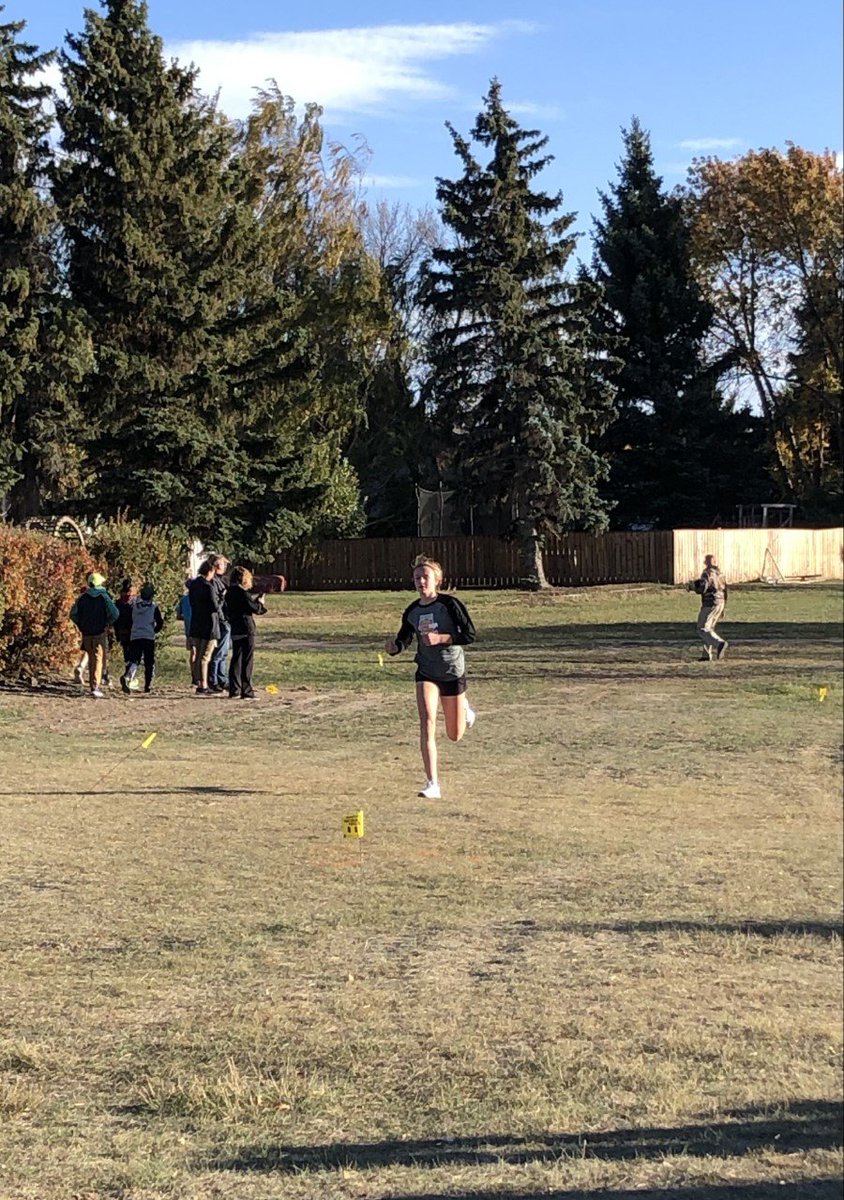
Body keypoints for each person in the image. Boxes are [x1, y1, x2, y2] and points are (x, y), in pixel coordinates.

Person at [384, 555, 476, 799]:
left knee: (454, 735)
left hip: (451, 671)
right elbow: (405, 638)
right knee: (427, 722)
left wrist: (441, 638)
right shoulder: (412, 611)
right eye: (417, 578)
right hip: (426, 671)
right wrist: (395, 648)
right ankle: (432, 784)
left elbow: (469, 635)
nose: (421, 581)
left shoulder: (449, 605)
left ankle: (464, 707)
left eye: (426, 577)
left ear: (438, 580)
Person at [69, 572, 119, 698]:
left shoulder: (82, 597)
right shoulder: (104, 596)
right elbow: (115, 613)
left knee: (90, 657)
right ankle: (95, 686)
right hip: (99, 631)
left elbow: (73, 614)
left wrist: (80, 624)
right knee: (98, 659)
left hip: (86, 632)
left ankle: (92, 684)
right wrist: (106, 622)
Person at [224, 566, 267, 699]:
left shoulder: (229, 592)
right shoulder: (242, 593)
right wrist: (260, 603)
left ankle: (234, 689)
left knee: (237, 658)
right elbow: (255, 609)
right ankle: (246, 690)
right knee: (247, 660)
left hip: (235, 627)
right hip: (246, 628)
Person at [120, 584, 164, 693]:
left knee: (134, 659)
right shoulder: (153, 607)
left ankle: (127, 676)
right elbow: (160, 622)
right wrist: (155, 630)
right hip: (148, 637)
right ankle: (147, 685)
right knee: (149, 662)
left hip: (135, 636)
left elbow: (129, 620)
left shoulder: (134, 606)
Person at [188, 561, 223, 695]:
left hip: (196, 623)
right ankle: (204, 684)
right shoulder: (209, 587)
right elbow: (215, 606)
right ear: (210, 571)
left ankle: (197, 680)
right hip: (209, 625)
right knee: (205, 657)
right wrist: (221, 599)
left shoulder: (194, 585)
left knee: (197, 655)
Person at [689, 553, 729, 661]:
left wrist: (692, 586)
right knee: (709, 629)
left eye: (706, 561)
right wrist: (724, 607)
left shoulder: (707, 573)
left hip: (710, 603)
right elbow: (725, 590)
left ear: (706, 562)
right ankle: (706, 655)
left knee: (702, 629)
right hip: (720, 602)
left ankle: (720, 644)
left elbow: (703, 587)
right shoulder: (720, 574)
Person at [207, 555, 231, 693]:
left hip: (224, 618)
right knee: (219, 652)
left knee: (224, 652)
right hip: (220, 619)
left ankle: (222, 679)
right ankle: (214, 679)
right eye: (223, 564)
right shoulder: (214, 582)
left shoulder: (221, 581)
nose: (225, 567)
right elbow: (217, 602)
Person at [113, 578, 136, 668]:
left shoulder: (118, 603)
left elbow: (115, 619)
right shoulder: (133, 602)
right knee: (130, 651)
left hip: (123, 630)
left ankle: (128, 667)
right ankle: (129, 669)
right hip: (130, 630)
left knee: (127, 651)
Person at [176, 578, 195, 684]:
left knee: (193, 653)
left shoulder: (183, 600)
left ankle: (193, 675)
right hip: (198, 628)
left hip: (188, 629)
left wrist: (186, 617)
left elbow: (179, 615)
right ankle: (198, 675)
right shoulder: (197, 598)